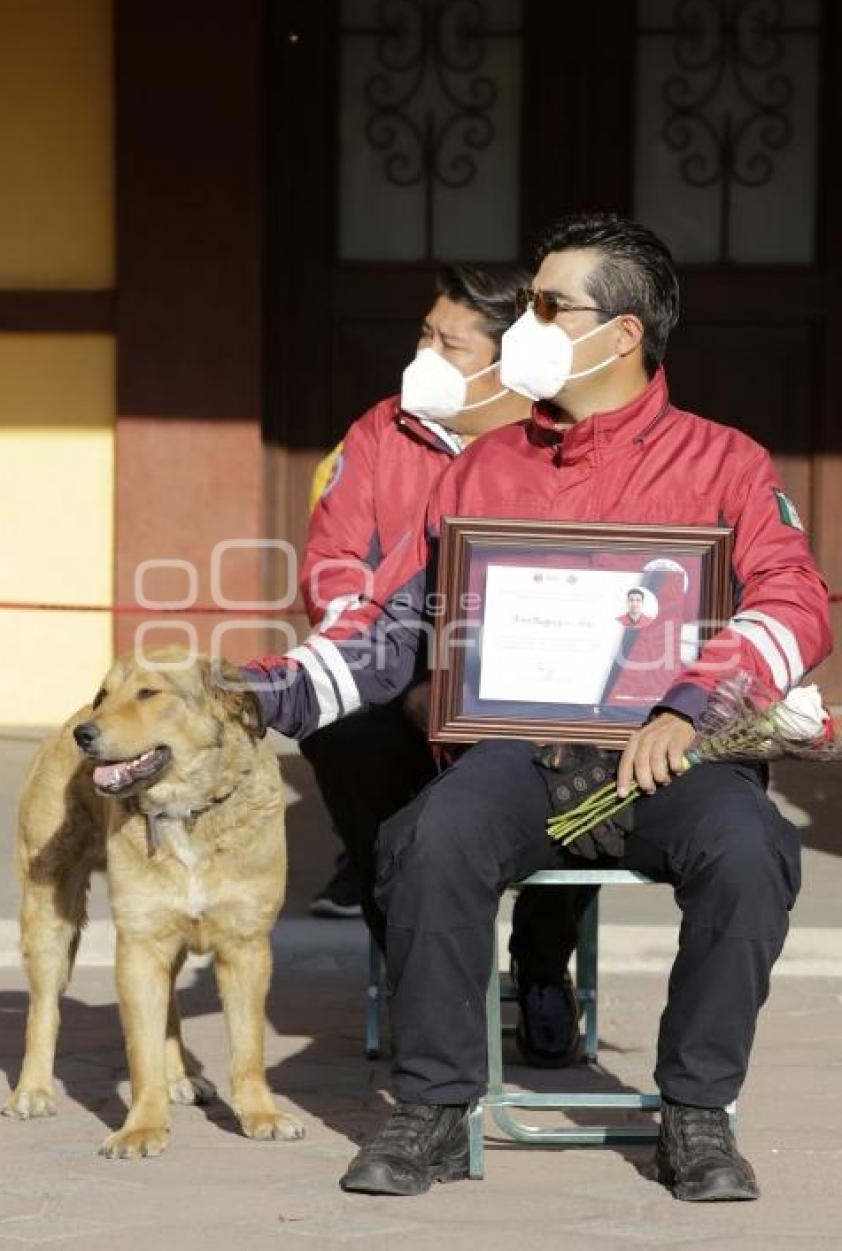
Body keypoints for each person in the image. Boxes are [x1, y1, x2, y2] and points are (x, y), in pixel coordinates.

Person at [245, 213, 831, 1203]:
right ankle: (432, 1111)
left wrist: (688, 708)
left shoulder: (726, 462)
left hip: (676, 762)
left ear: (621, 333)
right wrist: (268, 691)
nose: (527, 322)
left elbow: (793, 599)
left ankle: (694, 1115)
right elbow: (393, 626)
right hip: (515, 756)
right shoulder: (482, 465)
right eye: (526, 304)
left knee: (750, 854)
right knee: (427, 841)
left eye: (548, 305)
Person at [299, 264, 586, 1062]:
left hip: (528, 687)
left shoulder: (565, 435)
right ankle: (416, 970)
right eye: (424, 333)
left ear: (508, 361)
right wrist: (399, 671)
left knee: (596, 744)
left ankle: (539, 966)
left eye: (449, 342)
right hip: (403, 679)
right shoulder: (378, 432)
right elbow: (333, 563)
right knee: (343, 736)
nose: (423, 352)